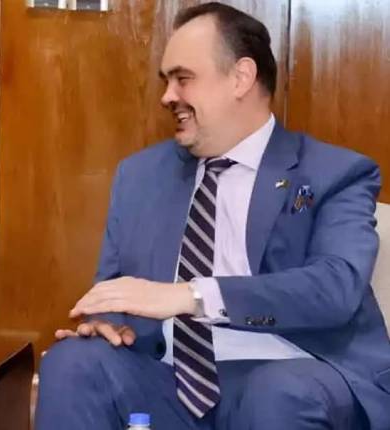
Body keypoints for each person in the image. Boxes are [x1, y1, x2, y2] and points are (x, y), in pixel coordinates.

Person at [35, 3, 390, 430]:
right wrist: (107, 325)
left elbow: (335, 287)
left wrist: (193, 296)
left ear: (241, 77)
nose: (168, 96)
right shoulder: (140, 176)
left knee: (276, 393)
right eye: (166, 81)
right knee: (72, 363)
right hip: (169, 381)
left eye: (183, 78)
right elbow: (115, 293)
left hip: (293, 374)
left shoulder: (334, 172)